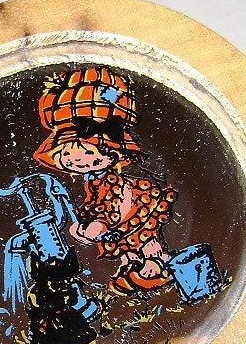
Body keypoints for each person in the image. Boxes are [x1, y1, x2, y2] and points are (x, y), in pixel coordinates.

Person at [33, 66, 177, 295]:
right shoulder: (94, 181)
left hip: (130, 208)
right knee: (127, 245)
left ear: (112, 154)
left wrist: (97, 226)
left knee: (145, 239)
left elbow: (111, 202)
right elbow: (97, 203)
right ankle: (133, 266)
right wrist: (86, 226)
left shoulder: (109, 179)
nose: (79, 161)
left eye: (89, 153)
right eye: (68, 155)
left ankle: (157, 264)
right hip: (116, 218)